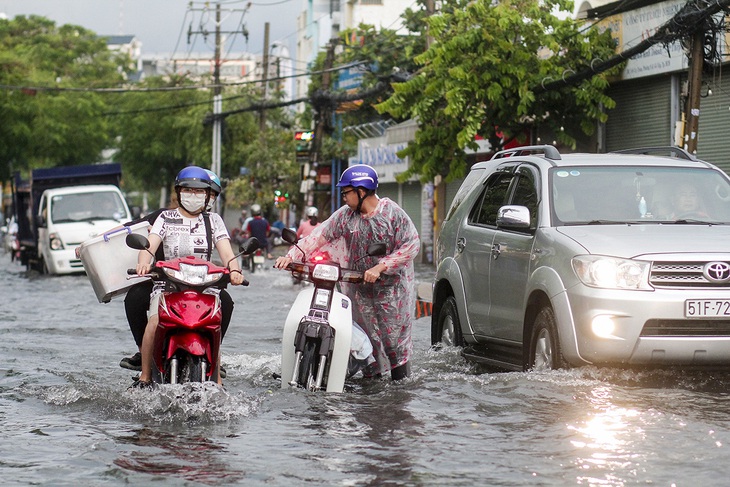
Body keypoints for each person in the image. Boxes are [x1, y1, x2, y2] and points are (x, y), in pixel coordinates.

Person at [274, 164, 420, 381]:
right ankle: (371, 390)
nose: (343, 197)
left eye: (346, 192)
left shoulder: (392, 214)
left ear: (361, 191)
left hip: (391, 291)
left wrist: (381, 267)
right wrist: (292, 256)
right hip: (359, 289)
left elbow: (411, 244)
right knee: (366, 341)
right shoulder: (345, 216)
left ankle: (400, 388)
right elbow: (318, 237)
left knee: (393, 343)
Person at [132, 166, 245, 388]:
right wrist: (143, 263)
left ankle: (218, 379)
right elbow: (149, 246)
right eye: (188, 191)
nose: (193, 196)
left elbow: (227, 253)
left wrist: (235, 271)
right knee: (154, 323)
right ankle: (145, 376)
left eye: (199, 192)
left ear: (207, 196)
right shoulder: (165, 217)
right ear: (179, 193)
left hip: (204, 287)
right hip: (168, 285)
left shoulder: (214, 221)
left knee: (215, 324)